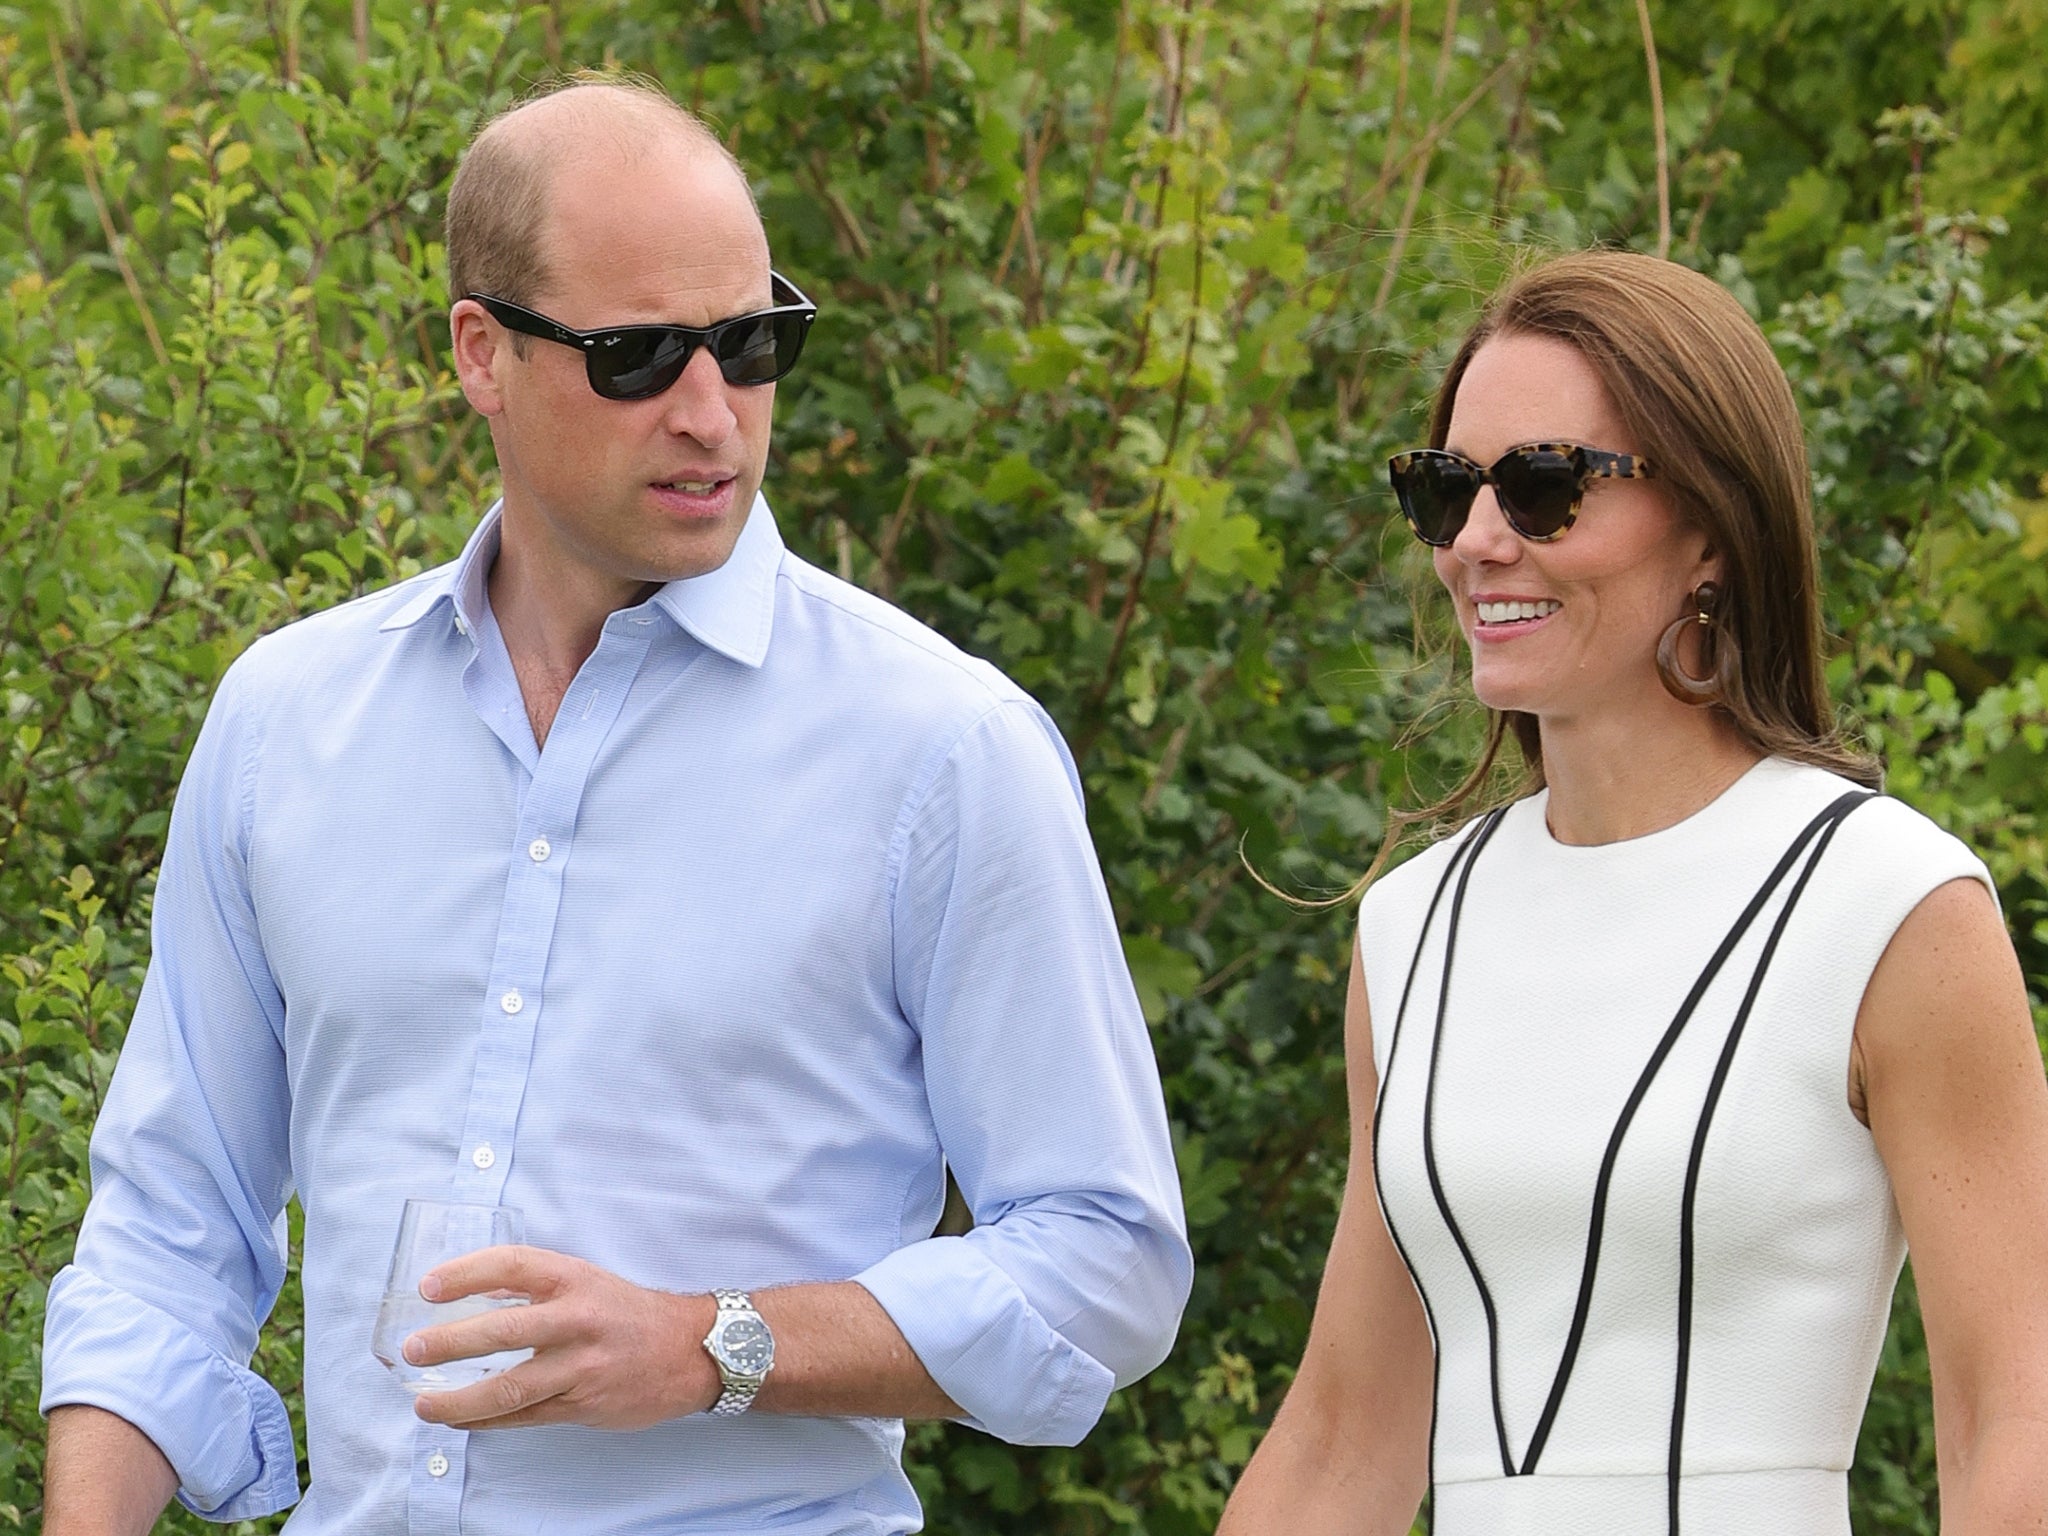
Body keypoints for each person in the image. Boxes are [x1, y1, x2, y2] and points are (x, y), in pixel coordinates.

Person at [40, 75, 1191, 1536]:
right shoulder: (287, 722)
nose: (712, 413)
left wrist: (713, 1346)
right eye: (639, 356)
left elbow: (1108, 1265)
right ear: (481, 354)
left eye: (751, 343)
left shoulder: (943, 751)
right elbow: (165, 1232)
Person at [1217, 251, 2048, 1535]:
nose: (1480, 540)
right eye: (1446, 490)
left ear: (1711, 527)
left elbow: (2016, 1418)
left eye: (1543, 487)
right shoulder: (1410, 931)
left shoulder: (1889, 904)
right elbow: (1343, 1436)